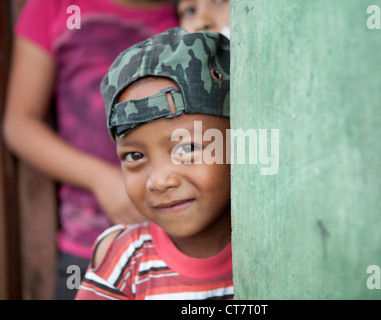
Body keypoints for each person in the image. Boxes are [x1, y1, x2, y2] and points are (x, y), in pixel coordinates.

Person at [3, 0, 177, 299]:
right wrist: (101, 179)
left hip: (181, 245)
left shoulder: (189, 11)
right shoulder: (54, 7)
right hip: (89, 247)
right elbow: (19, 124)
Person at [75, 27, 232, 300]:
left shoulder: (277, 245)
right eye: (135, 156)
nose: (159, 181)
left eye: (187, 148)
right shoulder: (125, 261)